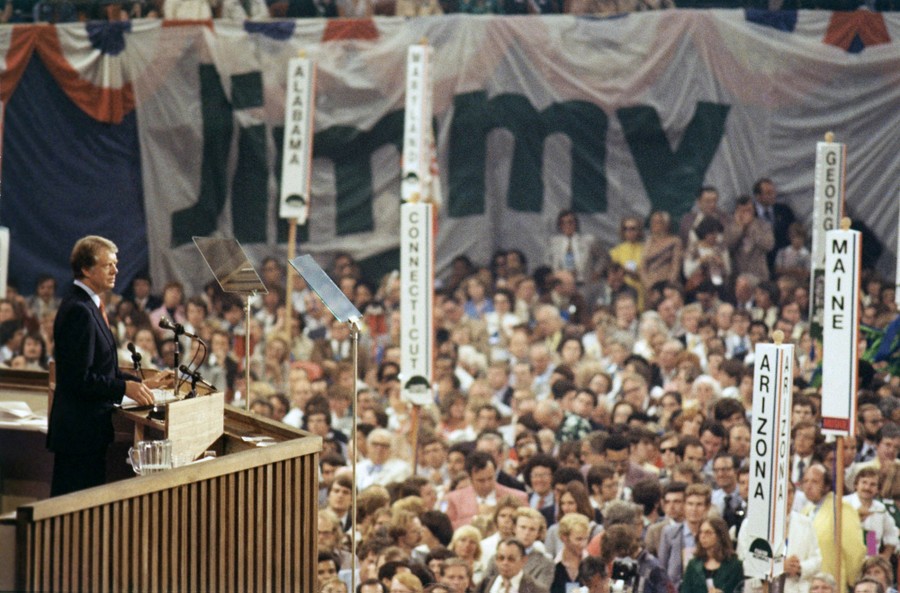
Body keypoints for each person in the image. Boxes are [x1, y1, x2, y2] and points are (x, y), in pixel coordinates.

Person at [47, 235, 161, 496]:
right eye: (108, 265)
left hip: (87, 433)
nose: (116, 270)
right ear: (86, 269)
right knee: (73, 515)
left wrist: (137, 384)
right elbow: (78, 379)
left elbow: (99, 370)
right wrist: (124, 388)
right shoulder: (79, 310)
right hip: (79, 435)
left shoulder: (90, 305)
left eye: (116, 264)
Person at [679, 517, 743, 593]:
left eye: (708, 532)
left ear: (720, 535)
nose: (703, 536)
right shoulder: (693, 564)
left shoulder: (734, 565)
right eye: (701, 532)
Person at [475, 538, 546, 593]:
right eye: (501, 558)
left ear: (523, 561)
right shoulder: (484, 585)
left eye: (511, 559)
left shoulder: (536, 590)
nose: (505, 563)